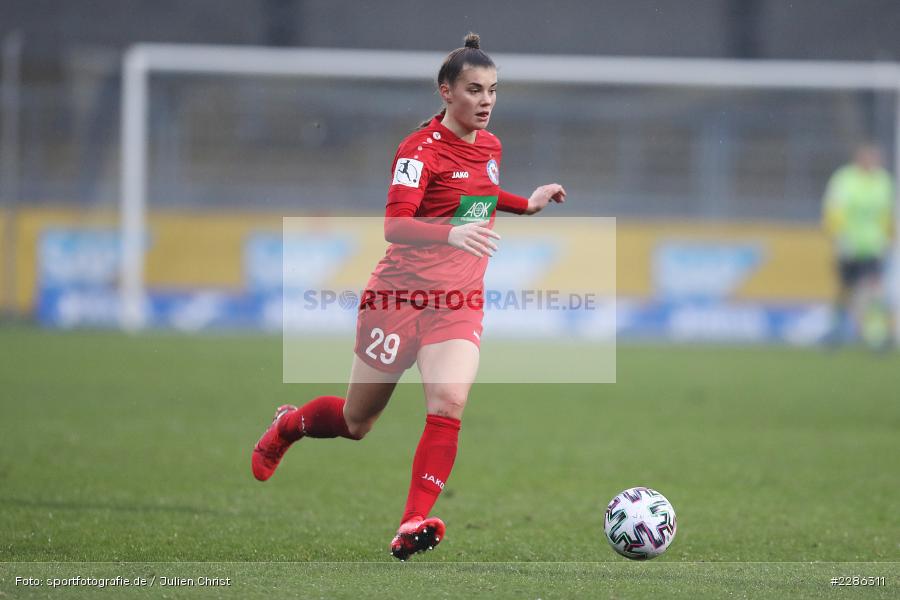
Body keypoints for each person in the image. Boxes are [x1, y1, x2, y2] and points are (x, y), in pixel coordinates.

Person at [251, 33, 566, 560]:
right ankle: (287, 425)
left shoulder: (491, 146)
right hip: (397, 300)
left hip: (457, 303)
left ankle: (412, 521)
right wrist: (449, 234)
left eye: (492, 90)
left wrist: (524, 205)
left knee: (450, 402)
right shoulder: (417, 151)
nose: (486, 101)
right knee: (356, 422)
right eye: (474, 89)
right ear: (447, 92)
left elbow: (477, 196)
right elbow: (395, 225)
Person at [821, 143, 894, 349]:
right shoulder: (844, 179)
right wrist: (838, 238)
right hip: (849, 244)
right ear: (859, 159)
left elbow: (887, 214)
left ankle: (876, 335)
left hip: (873, 246)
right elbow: (832, 210)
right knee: (846, 289)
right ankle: (836, 330)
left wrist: (888, 238)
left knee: (874, 287)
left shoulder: (883, 181)